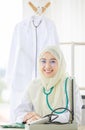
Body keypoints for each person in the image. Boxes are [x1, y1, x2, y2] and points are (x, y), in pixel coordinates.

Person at [15, 45, 82, 124]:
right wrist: (28, 117)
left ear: (60, 63)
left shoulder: (69, 84)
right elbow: (19, 113)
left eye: (53, 61)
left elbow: (74, 117)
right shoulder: (34, 85)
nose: (47, 66)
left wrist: (43, 120)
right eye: (43, 61)